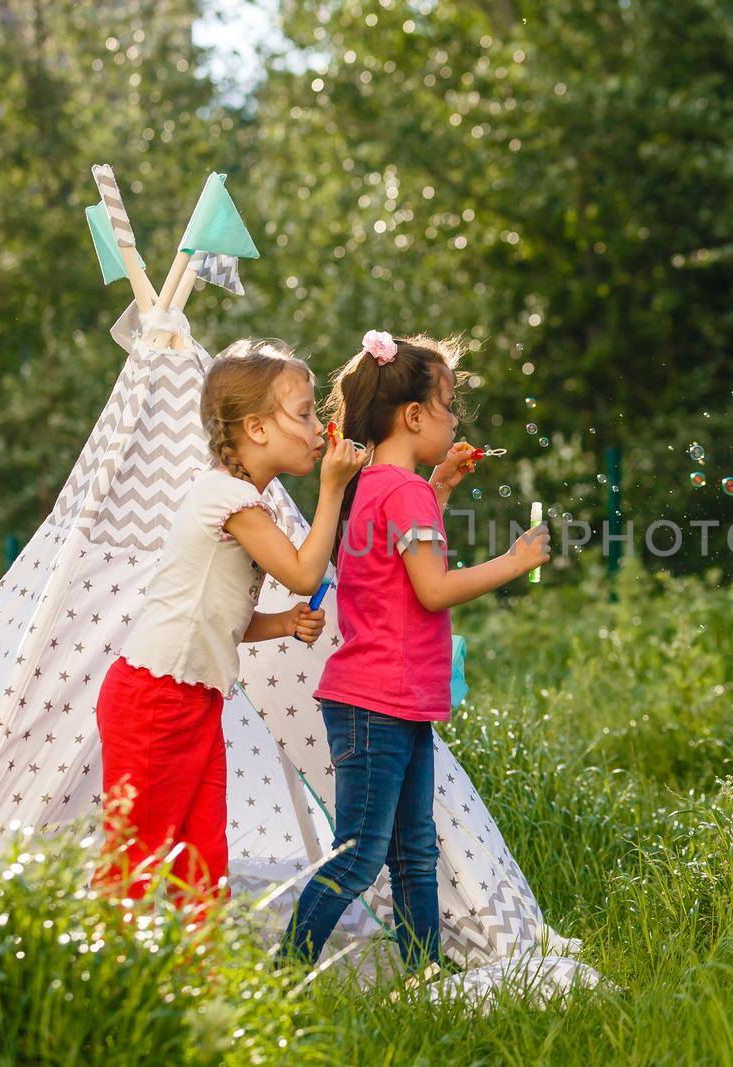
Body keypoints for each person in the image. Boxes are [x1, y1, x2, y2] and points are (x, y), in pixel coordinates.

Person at [280, 330, 550, 972]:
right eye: (450, 402)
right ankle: (285, 974)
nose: (457, 418)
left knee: (413, 853)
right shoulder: (404, 492)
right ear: (413, 415)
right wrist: (513, 562)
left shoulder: (380, 485)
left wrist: (441, 485)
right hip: (381, 703)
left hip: (388, 703)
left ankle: (426, 975)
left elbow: (397, 571)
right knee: (361, 856)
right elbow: (430, 590)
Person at [95, 338, 367, 912]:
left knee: (201, 860)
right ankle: (104, 981)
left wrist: (284, 624)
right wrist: (332, 488)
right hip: (156, 698)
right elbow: (301, 571)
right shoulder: (231, 499)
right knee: (137, 860)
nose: (318, 428)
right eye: (304, 414)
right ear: (257, 430)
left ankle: (200, 986)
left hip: (191, 698)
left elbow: (219, 619)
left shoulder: (239, 499)